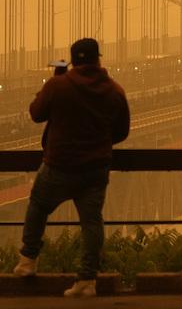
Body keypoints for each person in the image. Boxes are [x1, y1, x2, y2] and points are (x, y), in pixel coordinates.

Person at [13, 38, 130, 298]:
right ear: (98, 59)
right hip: (95, 170)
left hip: (59, 166)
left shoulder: (59, 85)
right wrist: (98, 143)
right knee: (91, 222)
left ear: (72, 61)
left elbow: (36, 113)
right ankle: (87, 280)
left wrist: (53, 81)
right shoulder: (115, 90)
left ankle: (28, 261)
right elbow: (122, 132)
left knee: (38, 206)